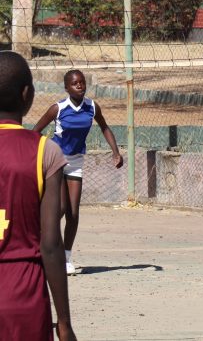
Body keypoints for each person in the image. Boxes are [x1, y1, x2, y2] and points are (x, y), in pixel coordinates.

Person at [0, 51, 76, 341]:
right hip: (25, 295)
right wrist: (64, 323)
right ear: (27, 95)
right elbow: (51, 245)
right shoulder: (45, 151)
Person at [33, 69, 123, 277]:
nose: (80, 85)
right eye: (75, 83)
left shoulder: (92, 107)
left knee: (73, 213)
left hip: (75, 162)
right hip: (55, 160)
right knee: (61, 208)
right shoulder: (58, 108)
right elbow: (35, 131)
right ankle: (44, 248)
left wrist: (115, 152)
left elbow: (105, 127)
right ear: (66, 88)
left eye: (82, 82)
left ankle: (66, 257)